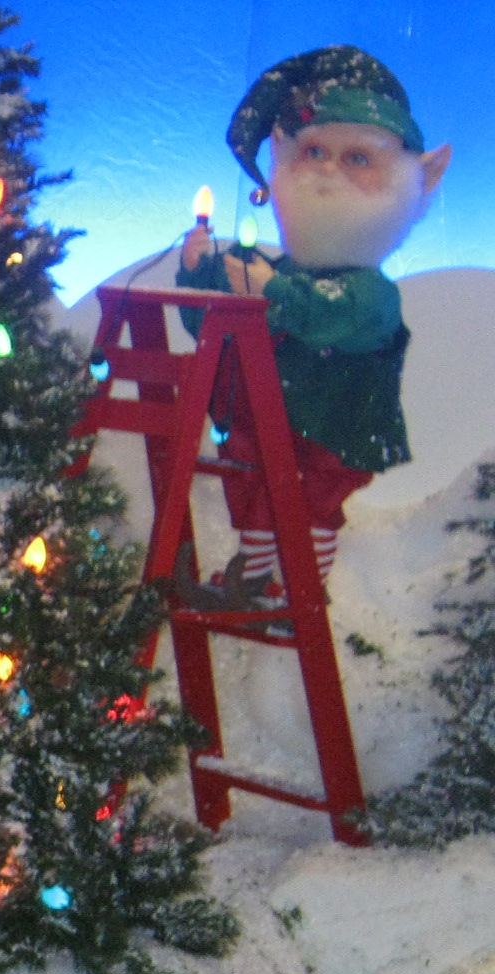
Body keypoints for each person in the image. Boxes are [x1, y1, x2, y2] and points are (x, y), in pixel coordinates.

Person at [173, 47, 451, 609]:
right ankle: (252, 581)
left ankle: (300, 590)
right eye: (315, 150)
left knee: (313, 506)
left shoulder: (371, 293)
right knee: (254, 494)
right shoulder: (280, 273)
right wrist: (200, 273)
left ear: (415, 181)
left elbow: (325, 317)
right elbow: (216, 323)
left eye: (357, 158)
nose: (327, 168)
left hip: (331, 432)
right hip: (264, 421)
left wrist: (267, 290)